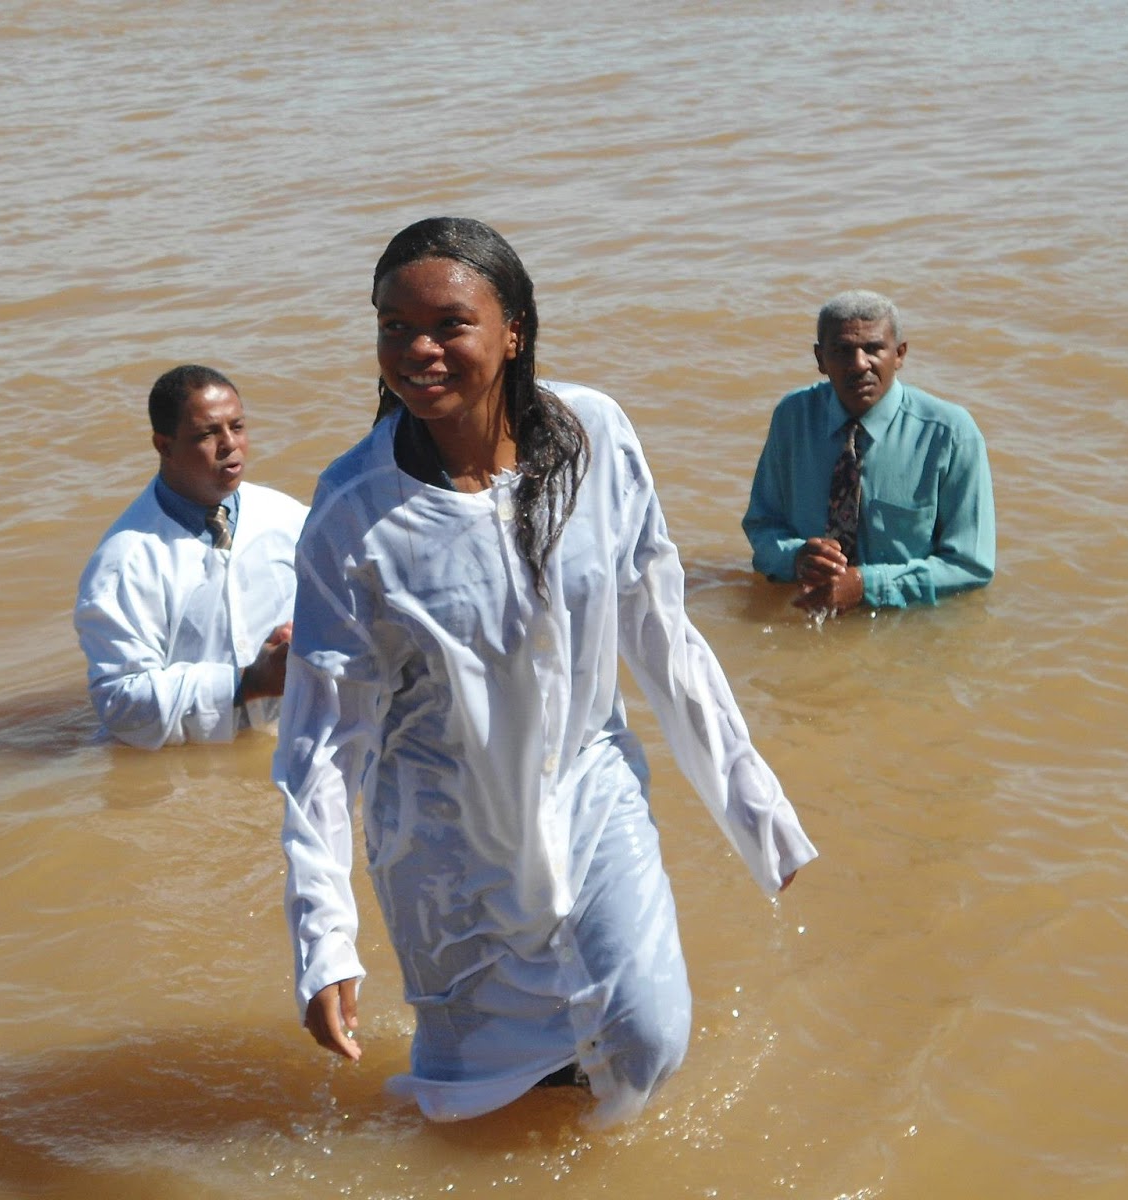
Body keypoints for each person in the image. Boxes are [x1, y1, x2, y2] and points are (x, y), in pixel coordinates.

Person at [274, 217, 816, 1130]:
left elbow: (660, 627)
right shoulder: (355, 512)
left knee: (648, 1034)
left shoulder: (594, 435)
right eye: (393, 326)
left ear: (514, 328)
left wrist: (751, 802)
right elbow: (325, 740)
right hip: (447, 838)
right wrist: (323, 937)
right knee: (478, 1094)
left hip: (588, 783)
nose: (418, 350)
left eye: (449, 324)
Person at [74, 365, 309, 749]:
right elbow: (119, 704)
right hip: (191, 774)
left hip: (288, 743)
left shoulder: (286, 517)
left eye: (238, 426)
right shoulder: (126, 561)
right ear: (164, 445)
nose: (230, 444)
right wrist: (246, 683)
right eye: (207, 434)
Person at [742, 290, 995, 613]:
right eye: (843, 351)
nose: (859, 364)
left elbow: (971, 565)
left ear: (900, 354)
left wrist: (866, 585)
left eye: (873, 349)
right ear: (821, 359)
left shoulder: (951, 434)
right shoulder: (793, 417)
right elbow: (762, 525)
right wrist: (796, 558)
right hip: (804, 614)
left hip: (904, 626)